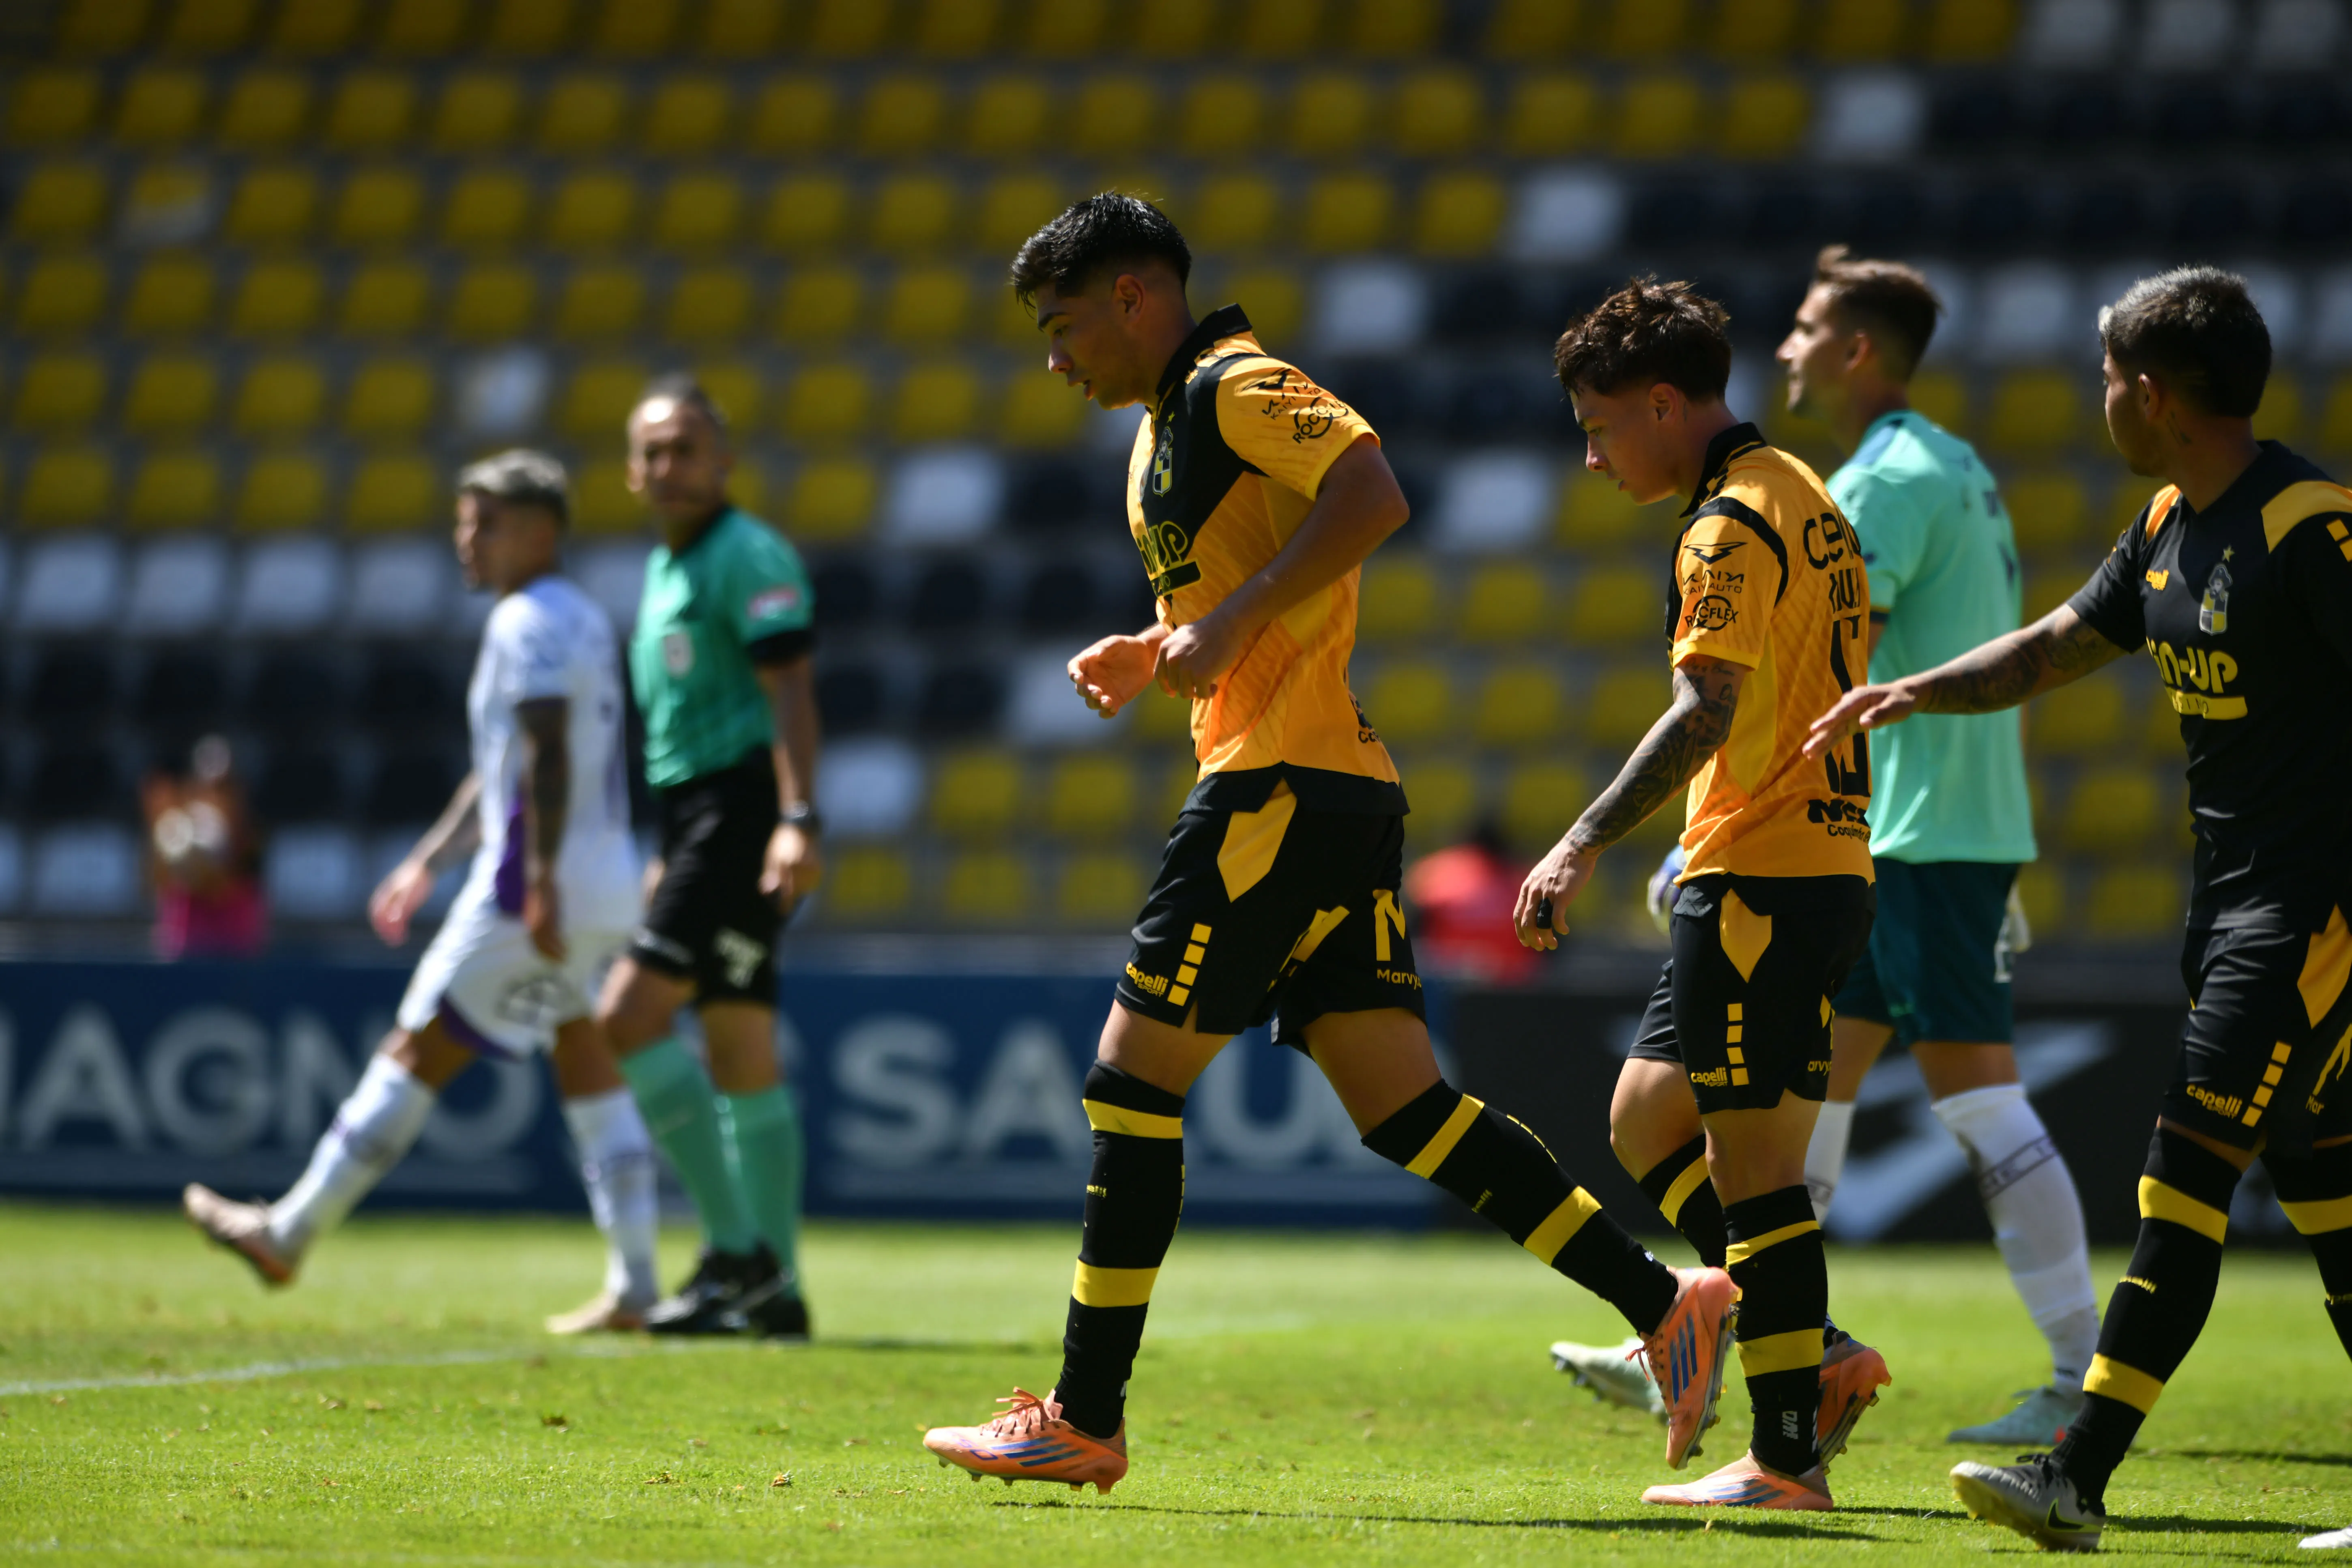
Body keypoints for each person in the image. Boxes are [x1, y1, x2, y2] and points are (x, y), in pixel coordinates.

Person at [921, 194, 1738, 1500]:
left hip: (1280, 788)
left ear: (1134, 296)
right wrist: (1164, 642)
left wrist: (1229, 621)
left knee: (1130, 1086)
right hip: (1329, 787)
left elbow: (1371, 493)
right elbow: (1248, 595)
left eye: (1064, 325)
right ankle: (1664, 1304)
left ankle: (1081, 1414)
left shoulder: (1237, 385)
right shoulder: (1159, 430)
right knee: (1405, 1109)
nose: (1055, 356)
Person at [1806, 268, 2352, 1553]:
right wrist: (1912, 691)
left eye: (2106, 377)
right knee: (2326, 1193)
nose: (2096, 397)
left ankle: (2075, 1472)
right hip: (2227, 905)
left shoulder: (2309, 527)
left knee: (2183, 1172)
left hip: (2308, 913)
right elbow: (2053, 645)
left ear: (2150, 394)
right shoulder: (2167, 521)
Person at [1517, 278, 1892, 1512]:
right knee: (1645, 1115)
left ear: (1665, 405)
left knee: (1757, 1175)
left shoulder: (1727, 524)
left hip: (1765, 871)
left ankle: (1786, 1453)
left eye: (1600, 427)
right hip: (1803, 861)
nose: (1592, 457)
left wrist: (1579, 839)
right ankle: (1810, 1350)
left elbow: (1704, 710)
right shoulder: (1803, 492)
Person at [184, 452, 662, 1331]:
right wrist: (429, 861)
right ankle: (635, 1282)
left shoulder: (523, 620)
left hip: (532, 885)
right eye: (463, 522)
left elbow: (546, 753)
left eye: (485, 524)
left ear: (539, 532)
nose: (465, 540)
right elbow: (510, 762)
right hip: (607, 880)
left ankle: (288, 1232)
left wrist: (538, 883)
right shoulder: (583, 615)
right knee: (584, 1055)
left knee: (417, 1047)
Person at [1781, 248, 2098, 1444]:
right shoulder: (1954, 464)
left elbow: (1824, 674)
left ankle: (2080, 1382)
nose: (1787, 347)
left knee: (1980, 1102)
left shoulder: (1881, 484)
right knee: (1807, 1090)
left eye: (1805, 326)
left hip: (1919, 838)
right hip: (1921, 831)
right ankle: (1755, 1330)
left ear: (1855, 348)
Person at [591, 374, 825, 1338]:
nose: (668, 467)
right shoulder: (664, 568)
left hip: (740, 811)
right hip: (696, 818)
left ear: (723, 461)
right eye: (652, 452)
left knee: (627, 1017)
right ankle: (778, 1291)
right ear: (630, 470)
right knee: (738, 1045)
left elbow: (790, 688)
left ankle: (736, 1254)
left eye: (685, 448)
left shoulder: (745, 553)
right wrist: (667, 846)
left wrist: (797, 816)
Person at [143, 734, 267, 958]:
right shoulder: (178, 830)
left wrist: (214, 875)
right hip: (187, 948)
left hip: (234, 951)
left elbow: (231, 884)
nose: (214, 797)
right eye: (207, 787)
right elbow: (157, 882)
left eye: (222, 788)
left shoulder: (251, 842)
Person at [1403, 820, 1538, 985]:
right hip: (1512, 985)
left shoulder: (1434, 872)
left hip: (1444, 984)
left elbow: (1411, 930)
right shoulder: (1523, 881)